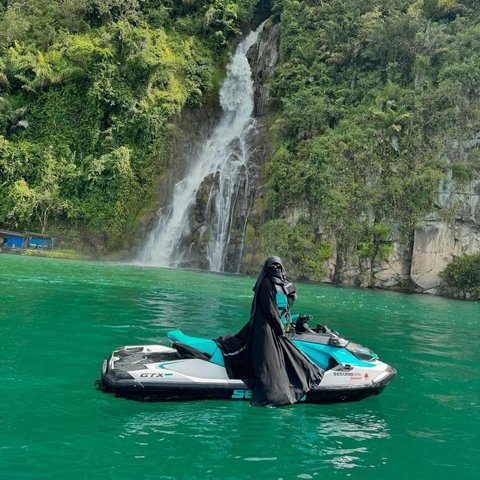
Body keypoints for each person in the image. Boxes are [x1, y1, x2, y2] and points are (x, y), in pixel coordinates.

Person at [215, 256, 323, 406]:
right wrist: (280, 329)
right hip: (264, 329)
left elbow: (288, 301)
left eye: (278, 267)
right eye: (273, 267)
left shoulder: (275, 283)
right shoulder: (266, 284)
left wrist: (289, 291)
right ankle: (271, 392)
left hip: (270, 326)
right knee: (267, 362)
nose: (276, 270)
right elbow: (269, 310)